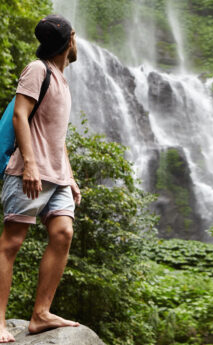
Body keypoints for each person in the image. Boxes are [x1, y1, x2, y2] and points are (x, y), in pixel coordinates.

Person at [0, 14, 81, 343]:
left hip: (58, 176)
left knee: (63, 233)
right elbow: (21, 114)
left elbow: (57, 136)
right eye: (75, 38)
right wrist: (31, 164)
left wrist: (71, 176)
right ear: (70, 40)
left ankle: (40, 314)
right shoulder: (38, 70)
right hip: (29, 172)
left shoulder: (61, 80)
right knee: (11, 243)